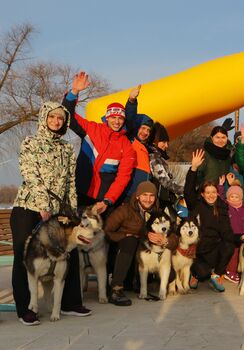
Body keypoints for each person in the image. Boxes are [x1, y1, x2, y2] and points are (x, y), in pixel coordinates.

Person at [10, 101, 91, 325]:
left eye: (60, 118)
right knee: (23, 256)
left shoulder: (66, 148)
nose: (56, 121)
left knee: (68, 252)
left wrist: (72, 211)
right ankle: (26, 309)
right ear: (44, 118)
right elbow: (30, 173)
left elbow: (70, 182)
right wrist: (43, 205)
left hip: (56, 212)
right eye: (52, 117)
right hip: (29, 207)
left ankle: (70, 303)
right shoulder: (31, 143)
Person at [63, 72, 136, 212]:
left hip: (102, 201)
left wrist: (108, 200)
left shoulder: (126, 145)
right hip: (79, 193)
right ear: (107, 118)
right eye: (113, 117)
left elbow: (123, 177)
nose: (117, 121)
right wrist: (74, 92)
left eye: (120, 118)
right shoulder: (93, 129)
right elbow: (67, 116)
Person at [104, 181, 176, 306]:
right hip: (125, 251)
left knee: (170, 276)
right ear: (137, 196)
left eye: (152, 195)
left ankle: (139, 282)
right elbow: (106, 231)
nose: (148, 199)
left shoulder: (159, 213)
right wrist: (125, 235)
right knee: (130, 241)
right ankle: (116, 288)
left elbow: (174, 236)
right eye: (144, 195)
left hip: (148, 252)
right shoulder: (125, 210)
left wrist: (166, 241)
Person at [185, 149, 235, 292]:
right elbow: (188, 191)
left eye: (214, 192)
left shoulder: (221, 207)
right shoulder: (196, 205)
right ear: (202, 194)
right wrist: (193, 169)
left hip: (213, 249)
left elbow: (226, 231)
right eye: (208, 192)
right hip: (197, 250)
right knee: (202, 274)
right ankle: (195, 274)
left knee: (229, 245)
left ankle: (217, 275)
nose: (211, 195)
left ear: (217, 193)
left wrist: (237, 238)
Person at [217, 174, 244, 284]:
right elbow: (220, 197)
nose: (234, 199)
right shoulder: (227, 206)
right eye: (232, 197)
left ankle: (237, 270)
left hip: (241, 235)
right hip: (230, 235)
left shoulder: (243, 208)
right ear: (228, 197)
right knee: (233, 254)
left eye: (236, 197)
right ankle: (230, 272)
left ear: (240, 198)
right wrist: (221, 185)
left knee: (240, 254)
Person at [123, 85, 154, 199]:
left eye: (148, 130)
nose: (145, 132)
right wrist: (131, 101)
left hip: (140, 197)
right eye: (143, 128)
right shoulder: (129, 139)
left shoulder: (148, 148)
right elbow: (129, 118)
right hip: (127, 195)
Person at [148, 122, 185, 211]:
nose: (167, 145)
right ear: (155, 140)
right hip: (158, 202)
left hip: (161, 200)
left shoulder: (159, 157)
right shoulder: (154, 158)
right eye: (163, 142)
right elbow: (165, 182)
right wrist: (185, 190)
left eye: (167, 142)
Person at [197, 120, 235, 185]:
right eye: (217, 137)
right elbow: (198, 176)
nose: (220, 140)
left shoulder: (229, 153)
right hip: (209, 192)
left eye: (223, 137)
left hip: (225, 192)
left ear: (227, 138)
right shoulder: (205, 154)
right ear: (212, 138)